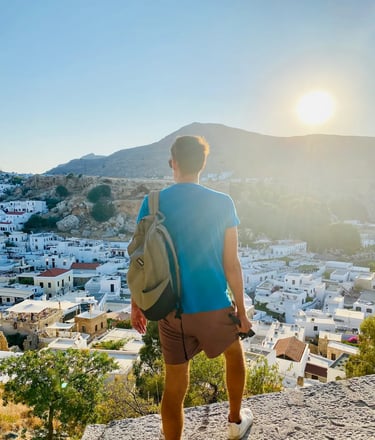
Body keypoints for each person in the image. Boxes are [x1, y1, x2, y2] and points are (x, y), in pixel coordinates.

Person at [131, 135, 253, 440]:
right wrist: (241, 310)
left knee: (174, 386)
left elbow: (140, 258)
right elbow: (231, 263)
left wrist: (137, 303)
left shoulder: (153, 201)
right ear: (203, 164)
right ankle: (235, 422)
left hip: (171, 309)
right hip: (213, 304)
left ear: (173, 164)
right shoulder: (223, 203)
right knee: (234, 357)